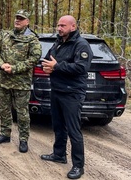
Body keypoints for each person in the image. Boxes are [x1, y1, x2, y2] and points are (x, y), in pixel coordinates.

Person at [40, 15, 93, 179]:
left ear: (73, 27)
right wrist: (46, 67)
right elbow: (48, 59)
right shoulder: (58, 42)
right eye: (58, 25)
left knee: (73, 130)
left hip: (72, 93)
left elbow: (81, 67)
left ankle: (78, 166)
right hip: (56, 90)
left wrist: (56, 66)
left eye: (63, 25)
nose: (59, 28)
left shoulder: (81, 45)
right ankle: (59, 155)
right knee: (58, 126)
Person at [0, 9, 41, 153]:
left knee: (22, 113)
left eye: (21, 18)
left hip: (21, 83)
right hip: (4, 81)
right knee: (4, 109)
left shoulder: (32, 39)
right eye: (16, 18)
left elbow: (34, 59)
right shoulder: (5, 35)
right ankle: (5, 134)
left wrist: (14, 68)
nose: (17, 20)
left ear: (27, 21)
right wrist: (1, 64)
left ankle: (23, 139)